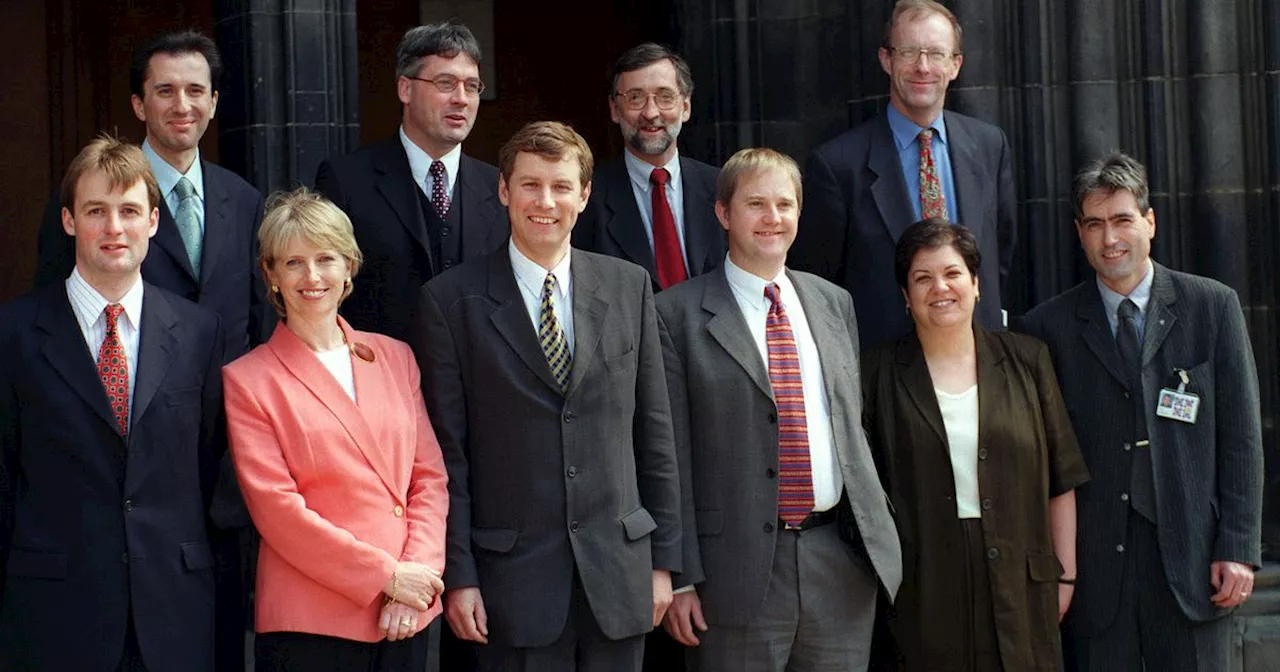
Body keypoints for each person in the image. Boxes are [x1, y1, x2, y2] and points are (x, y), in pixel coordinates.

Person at [414, 121, 681, 671]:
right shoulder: (449, 302)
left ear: (584, 195)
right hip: (512, 582)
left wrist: (665, 565)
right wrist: (459, 575)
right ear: (504, 191)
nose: (546, 201)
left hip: (620, 573)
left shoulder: (629, 286)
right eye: (531, 185)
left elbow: (655, 434)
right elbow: (448, 456)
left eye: (561, 187)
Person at [655, 147, 902, 671]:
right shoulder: (673, 314)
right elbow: (667, 455)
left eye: (785, 205)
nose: (773, 218)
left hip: (837, 563)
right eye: (756, 204)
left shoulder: (834, 302)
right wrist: (679, 576)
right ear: (723, 213)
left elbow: (849, 425)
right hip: (732, 576)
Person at [1020, 153, 1263, 671]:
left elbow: (1242, 436)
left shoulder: (1212, 307)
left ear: (1149, 222)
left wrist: (1239, 545)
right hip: (1096, 573)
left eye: (1123, 220)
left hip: (1195, 560)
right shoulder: (1047, 328)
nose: (1110, 239)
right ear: (1080, 234)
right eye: (1095, 224)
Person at [0, 135, 226, 671]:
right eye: (96, 210)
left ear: (153, 220)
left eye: (129, 210)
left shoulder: (199, 333)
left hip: (175, 614)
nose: (114, 227)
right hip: (53, 617)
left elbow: (212, 471)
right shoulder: (13, 334)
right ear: (69, 221)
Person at [221, 188, 449, 671]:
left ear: (349, 266)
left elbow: (428, 479)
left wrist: (418, 581)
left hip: (405, 615)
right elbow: (279, 512)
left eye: (326, 258)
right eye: (293, 262)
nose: (312, 277)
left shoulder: (395, 357)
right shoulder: (248, 380)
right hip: (311, 622)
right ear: (271, 274)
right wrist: (388, 576)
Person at [862, 220, 1089, 671]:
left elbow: (1061, 481)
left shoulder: (1028, 360)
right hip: (922, 589)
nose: (940, 287)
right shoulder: (876, 373)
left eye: (952, 273)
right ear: (906, 297)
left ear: (976, 284)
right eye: (922, 278)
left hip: (1023, 585)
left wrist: (1065, 576)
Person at [35, 30, 269, 362]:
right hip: (133, 398)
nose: (182, 105)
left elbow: (260, 316)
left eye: (195, 90)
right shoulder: (87, 196)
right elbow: (49, 311)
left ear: (213, 103)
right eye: (165, 91)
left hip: (230, 400)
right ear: (139, 105)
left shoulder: (245, 199)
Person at [793, 0, 1016, 348]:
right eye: (909, 51)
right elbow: (820, 284)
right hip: (884, 370)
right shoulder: (837, 165)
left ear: (955, 65)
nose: (923, 66)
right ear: (886, 59)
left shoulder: (990, 146)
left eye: (936, 54)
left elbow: (999, 256)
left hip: (981, 356)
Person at [315, 21, 508, 343]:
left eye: (472, 86)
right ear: (405, 89)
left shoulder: (499, 187)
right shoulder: (346, 180)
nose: (461, 98)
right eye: (446, 83)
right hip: (380, 378)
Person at [573, 43, 724, 291]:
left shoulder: (722, 188)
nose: (651, 112)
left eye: (665, 97)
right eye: (635, 98)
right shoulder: (588, 199)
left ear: (685, 107)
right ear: (614, 109)